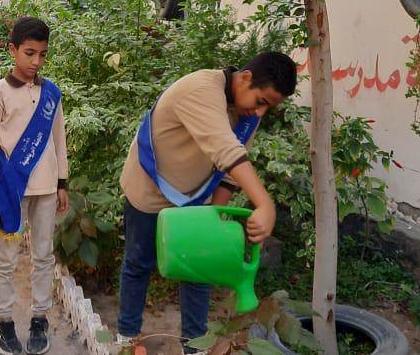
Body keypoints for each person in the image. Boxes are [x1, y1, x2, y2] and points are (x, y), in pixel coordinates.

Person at [115, 52, 298, 354]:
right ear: (246, 78)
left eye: (268, 107)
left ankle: (194, 345)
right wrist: (265, 204)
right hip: (149, 190)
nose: (260, 112)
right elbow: (228, 151)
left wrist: (213, 214)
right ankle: (127, 337)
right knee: (138, 262)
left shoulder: (248, 113)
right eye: (261, 101)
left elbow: (228, 171)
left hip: (194, 197)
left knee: (198, 270)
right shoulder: (201, 89)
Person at [0, 17, 69, 355]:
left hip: (46, 188)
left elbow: (59, 141)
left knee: (43, 255)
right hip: (10, 190)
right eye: (29, 53)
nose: (36, 61)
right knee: (5, 258)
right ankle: (3, 320)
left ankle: (39, 318)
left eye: (42, 54)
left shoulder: (51, 94)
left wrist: (62, 183)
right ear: (13, 49)